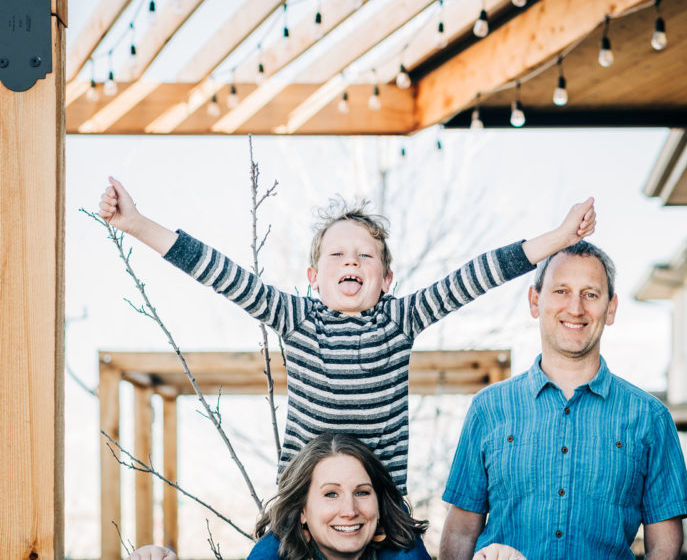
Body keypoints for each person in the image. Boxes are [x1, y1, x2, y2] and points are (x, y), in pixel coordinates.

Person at [98, 177, 595, 559]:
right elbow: (218, 270)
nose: (350, 262)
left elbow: (477, 275)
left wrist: (557, 237)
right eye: (337, 254)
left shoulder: (401, 320)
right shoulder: (295, 319)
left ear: (386, 278)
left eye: (365, 255)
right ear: (314, 277)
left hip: (383, 516)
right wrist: (137, 224)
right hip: (301, 514)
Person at [439, 241, 687, 560]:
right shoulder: (488, 409)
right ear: (535, 301)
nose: (575, 308)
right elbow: (461, 530)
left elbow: (664, 544)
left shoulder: (650, 417)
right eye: (561, 291)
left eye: (590, 294)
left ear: (611, 307)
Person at [126, 432, 428, 560]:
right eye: (331, 494)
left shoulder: (405, 551)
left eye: (362, 492)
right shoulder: (275, 554)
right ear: (302, 511)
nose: (349, 510)